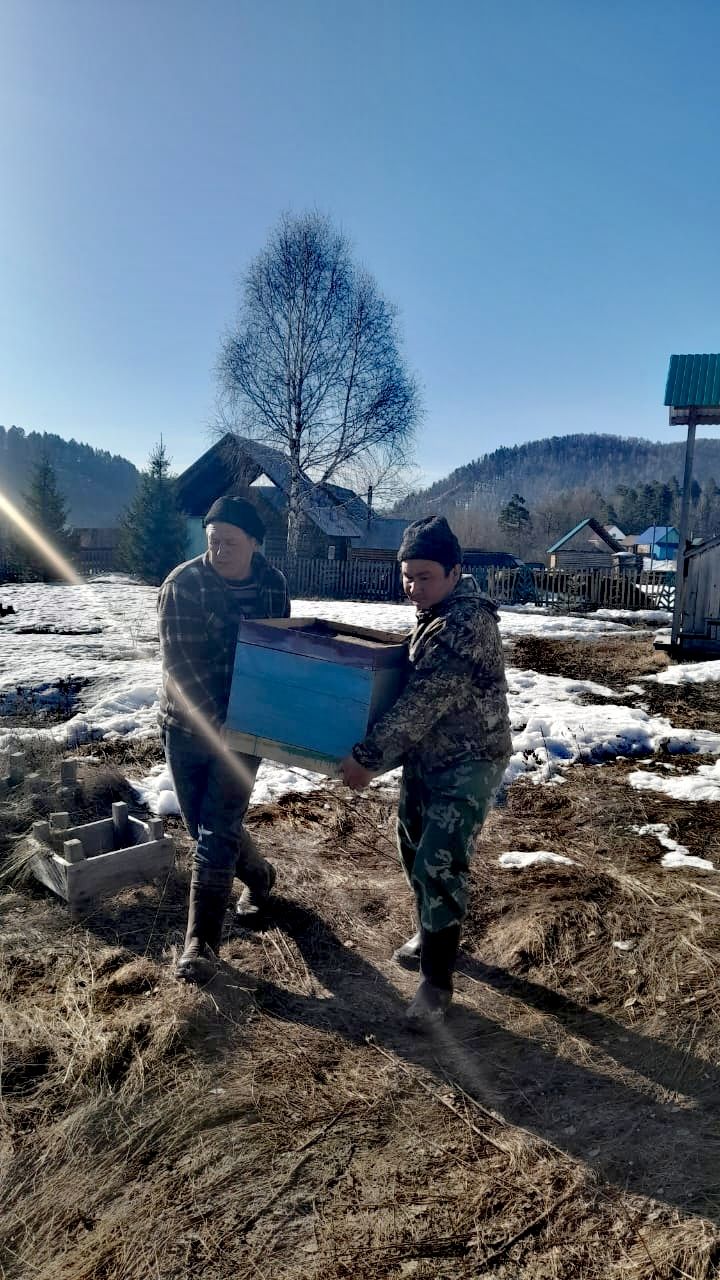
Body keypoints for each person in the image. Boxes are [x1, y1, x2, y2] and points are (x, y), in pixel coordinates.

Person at [339, 516, 511, 1029]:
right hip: (429, 755)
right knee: (412, 847)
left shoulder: (463, 623)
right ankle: (430, 929)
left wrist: (368, 757)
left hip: (470, 759)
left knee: (438, 861)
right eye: (407, 576)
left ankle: (437, 986)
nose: (414, 587)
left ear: (455, 572)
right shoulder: (435, 612)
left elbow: (425, 700)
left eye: (426, 576)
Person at [157, 494, 290, 982]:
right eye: (213, 542)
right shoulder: (183, 586)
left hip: (246, 728)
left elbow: (280, 652)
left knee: (215, 832)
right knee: (205, 828)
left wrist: (273, 718)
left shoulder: (273, 585)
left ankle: (201, 945)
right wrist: (222, 728)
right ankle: (259, 875)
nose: (219, 550)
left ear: (255, 543)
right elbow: (183, 672)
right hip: (188, 726)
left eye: (231, 542)